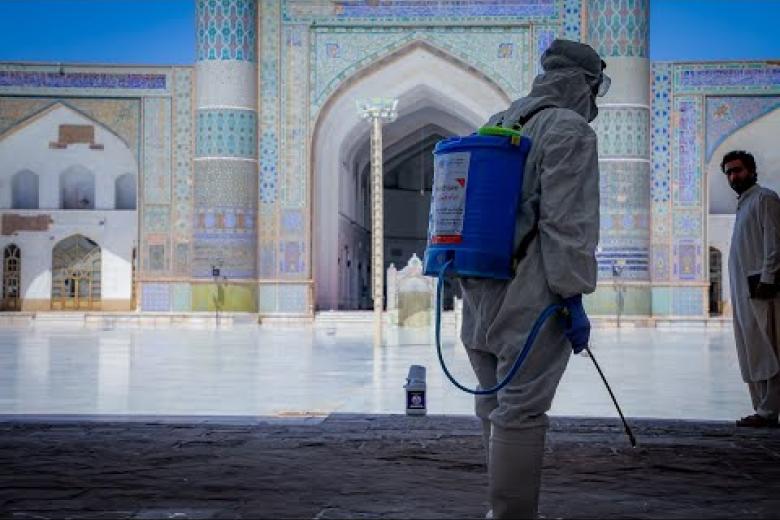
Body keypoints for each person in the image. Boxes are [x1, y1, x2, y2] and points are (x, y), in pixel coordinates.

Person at [459, 39, 607, 519]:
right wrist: (574, 296)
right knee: (521, 411)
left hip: (478, 288)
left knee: (494, 406)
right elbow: (567, 225)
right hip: (533, 294)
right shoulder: (569, 130)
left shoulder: (499, 121)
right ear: (583, 84)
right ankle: (512, 515)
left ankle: (498, 509)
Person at [723, 150, 780, 428]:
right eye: (729, 172)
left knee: (770, 349)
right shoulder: (744, 203)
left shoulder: (765, 198)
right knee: (753, 350)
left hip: (761, 289)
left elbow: (774, 243)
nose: (734, 176)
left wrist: (768, 280)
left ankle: (769, 411)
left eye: (738, 170)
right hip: (744, 292)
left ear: (752, 171)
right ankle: (761, 409)